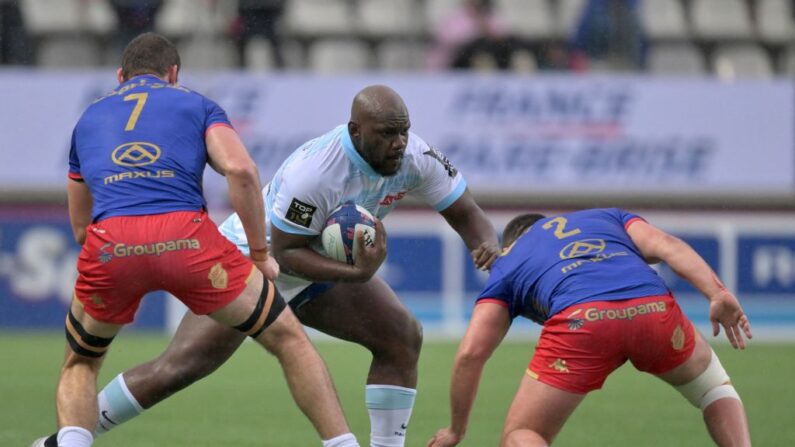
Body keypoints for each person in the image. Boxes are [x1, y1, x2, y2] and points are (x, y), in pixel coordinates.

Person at [33, 85, 501, 447]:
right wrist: (358, 274)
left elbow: (467, 213)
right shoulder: (316, 171)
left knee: (402, 335)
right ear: (356, 131)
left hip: (315, 268)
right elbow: (286, 251)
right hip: (254, 260)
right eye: (387, 134)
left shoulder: (415, 156)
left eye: (403, 130)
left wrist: (487, 248)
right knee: (178, 368)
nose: (399, 142)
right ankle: (69, 436)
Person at [33, 33, 359, 447]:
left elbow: (81, 228)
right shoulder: (197, 104)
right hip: (187, 241)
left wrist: (122, 258)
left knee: (80, 364)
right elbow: (241, 170)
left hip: (111, 243)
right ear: (173, 74)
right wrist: (260, 255)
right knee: (289, 339)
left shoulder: (87, 121)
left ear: (120, 77)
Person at [428, 208, 753, 447]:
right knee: (714, 389)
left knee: (523, 435)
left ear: (510, 243)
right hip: (653, 308)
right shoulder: (608, 217)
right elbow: (667, 245)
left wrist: (457, 429)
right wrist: (717, 292)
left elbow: (471, 353)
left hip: (582, 324)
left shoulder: (507, 263)